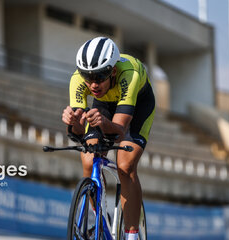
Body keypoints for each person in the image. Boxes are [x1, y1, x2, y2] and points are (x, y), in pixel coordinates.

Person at [62, 36, 155, 240]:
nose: (93, 83)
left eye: (99, 76)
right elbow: (78, 134)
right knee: (88, 158)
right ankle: (100, 222)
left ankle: (132, 234)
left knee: (125, 165)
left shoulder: (128, 74)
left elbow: (119, 131)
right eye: (87, 76)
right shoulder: (78, 80)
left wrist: (103, 123)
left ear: (112, 71)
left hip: (137, 106)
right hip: (103, 105)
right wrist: (73, 122)